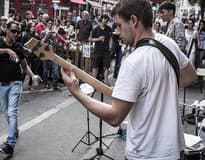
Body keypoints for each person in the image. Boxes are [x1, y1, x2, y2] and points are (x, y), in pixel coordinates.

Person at [60, 0, 197, 159]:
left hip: (146, 154)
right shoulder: (168, 43)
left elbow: (115, 117)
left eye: (119, 25)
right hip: (175, 150)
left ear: (133, 20)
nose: (117, 32)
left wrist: (76, 91)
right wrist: (158, 90)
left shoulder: (133, 62)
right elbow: (189, 76)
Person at [0, 21, 41, 156]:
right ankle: (14, 130)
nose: (16, 34)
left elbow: (25, 65)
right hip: (1, 85)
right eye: (13, 31)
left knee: (12, 112)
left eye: (18, 32)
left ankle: (10, 144)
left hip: (16, 82)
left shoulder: (18, 47)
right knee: (6, 113)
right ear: (7, 30)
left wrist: (33, 76)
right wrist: (6, 50)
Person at [89, 14, 112, 84]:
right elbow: (90, 39)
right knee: (95, 66)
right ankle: (93, 82)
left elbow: (110, 38)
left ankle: (106, 82)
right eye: (104, 19)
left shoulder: (109, 29)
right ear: (101, 19)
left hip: (106, 50)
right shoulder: (96, 29)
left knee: (106, 66)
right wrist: (98, 39)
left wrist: (110, 47)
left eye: (106, 19)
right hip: (97, 50)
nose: (105, 20)